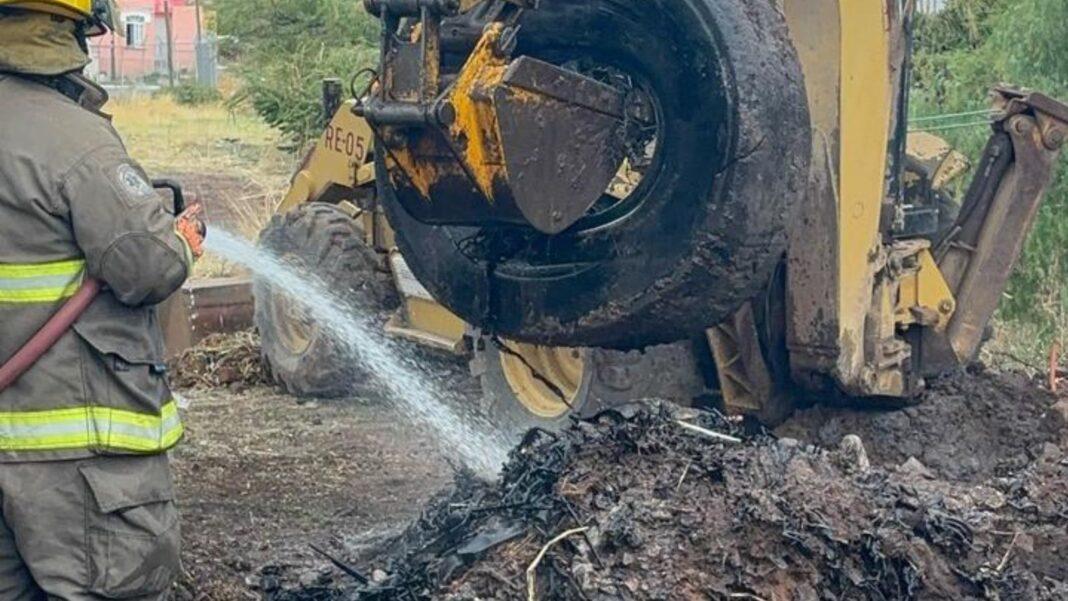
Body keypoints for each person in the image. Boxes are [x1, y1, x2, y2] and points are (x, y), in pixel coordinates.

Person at [0, 2, 206, 598]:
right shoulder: (71, 137)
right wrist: (183, 241)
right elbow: (144, 264)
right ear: (64, 32)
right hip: (79, 464)